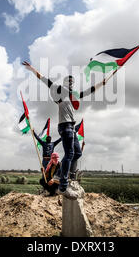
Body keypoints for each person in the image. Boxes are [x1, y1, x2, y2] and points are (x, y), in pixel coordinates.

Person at [22, 61, 106, 199]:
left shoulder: (74, 94)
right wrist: (32, 69)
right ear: (65, 82)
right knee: (69, 153)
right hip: (65, 126)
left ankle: (63, 175)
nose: (71, 83)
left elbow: (89, 91)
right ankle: (62, 186)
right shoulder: (59, 90)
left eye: (73, 81)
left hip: (71, 127)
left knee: (77, 153)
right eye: (69, 81)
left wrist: (101, 84)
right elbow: (44, 79)